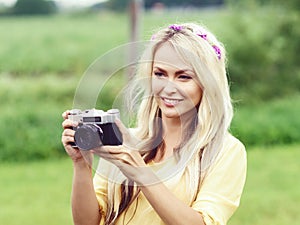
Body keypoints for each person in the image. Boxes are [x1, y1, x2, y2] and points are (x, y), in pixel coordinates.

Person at [61, 22, 247, 225]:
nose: (168, 88)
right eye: (159, 74)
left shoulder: (225, 151)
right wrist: (82, 166)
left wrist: (141, 173)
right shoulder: (124, 142)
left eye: (183, 77)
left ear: (207, 83)